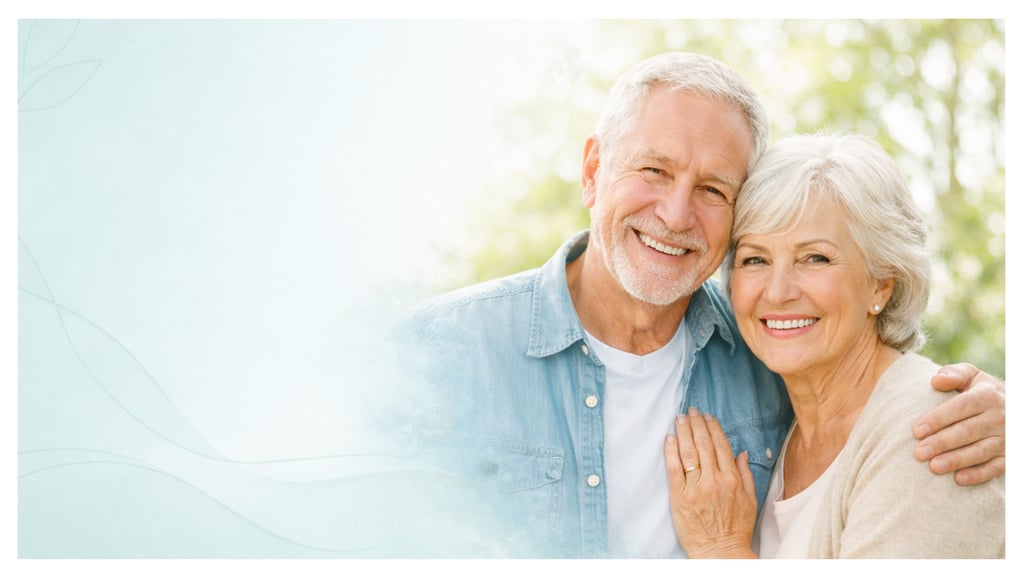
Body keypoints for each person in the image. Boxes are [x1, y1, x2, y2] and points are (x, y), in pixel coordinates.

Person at [390, 52, 1006, 558]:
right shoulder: (439, 352)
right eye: (654, 170)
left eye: (713, 189)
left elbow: (881, 398)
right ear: (592, 170)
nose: (676, 214)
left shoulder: (768, 355)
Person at [664, 133, 1004, 558]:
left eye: (815, 258)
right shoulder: (788, 426)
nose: (778, 291)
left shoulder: (934, 433)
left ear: (882, 282)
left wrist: (721, 550)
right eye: (756, 259)